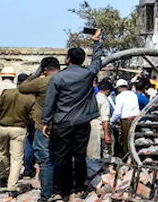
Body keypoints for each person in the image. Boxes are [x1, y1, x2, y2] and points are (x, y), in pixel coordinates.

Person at [42, 30, 104, 199]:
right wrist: (96, 42)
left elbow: (50, 101)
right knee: (80, 155)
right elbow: (98, 61)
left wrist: (46, 121)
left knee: (61, 157)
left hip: (62, 122)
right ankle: (79, 188)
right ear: (82, 60)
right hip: (82, 123)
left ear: (67, 59)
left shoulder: (58, 78)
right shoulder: (88, 74)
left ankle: (59, 191)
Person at [0, 74, 35, 198]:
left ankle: (3, 176)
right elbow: (33, 118)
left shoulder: (6, 93)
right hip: (19, 129)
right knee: (16, 159)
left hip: (2, 128)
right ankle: (12, 187)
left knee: (3, 154)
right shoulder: (30, 98)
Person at [19, 57, 61, 202]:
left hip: (43, 126)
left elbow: (23, 87)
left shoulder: (42, 82)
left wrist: (36, 73)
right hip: (64, 125)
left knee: (45, 160)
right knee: (60, 158)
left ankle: (46, 195)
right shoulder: (66, 80)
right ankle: (60, 191)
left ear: (44, 69)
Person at [110, 79, 139, 158]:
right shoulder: (133, 94)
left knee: (126, 140)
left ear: (119, 88)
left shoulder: (120, 96)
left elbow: (117, 112)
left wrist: (111, 121)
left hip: (126, 120)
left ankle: (127, 158)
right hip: (136, 119)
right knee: (134, 140)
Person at [87, 79, 112, 160]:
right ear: (108, 91)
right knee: (101, 153)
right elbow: (105, 119)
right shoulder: (104, 101)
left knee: (91, 153)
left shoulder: (93, 98)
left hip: (89, 126)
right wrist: (107, 135)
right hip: (99, 128)